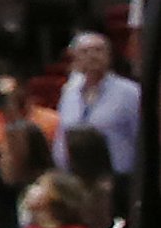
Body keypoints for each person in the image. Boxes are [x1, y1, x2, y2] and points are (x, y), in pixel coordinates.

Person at [53, 30, 137, 205]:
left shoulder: (130, 92)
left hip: (117, 184)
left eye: (98, 50)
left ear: (109, 56)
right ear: (75, 58)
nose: (92, 56)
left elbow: (141, 139)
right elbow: (61, 135)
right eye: (85, 51)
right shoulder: (69, 92)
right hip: (75, 182)